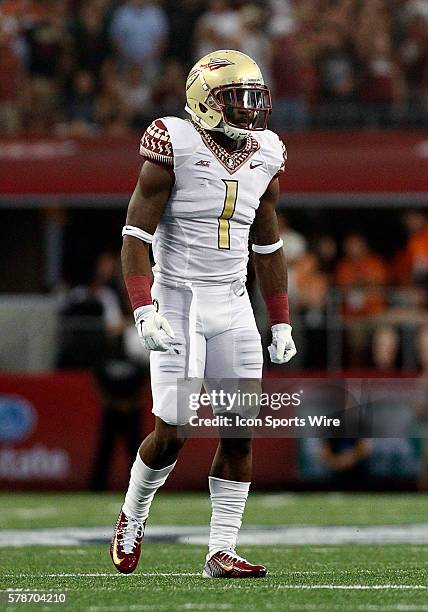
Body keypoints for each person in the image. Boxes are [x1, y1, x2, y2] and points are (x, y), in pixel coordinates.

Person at [110, 50, 296, 578]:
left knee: (239, 431)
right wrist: (143, 309)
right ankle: (132, 514)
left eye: (254, 98)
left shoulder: (267, 151)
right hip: (178, 300)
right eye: (236, 98)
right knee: (174, 429)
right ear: (204, 100)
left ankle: (221, 548)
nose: (248, 109)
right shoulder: (175, 141)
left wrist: (279, 318)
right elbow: (135, 235)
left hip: (233, 304)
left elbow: (268, 245)